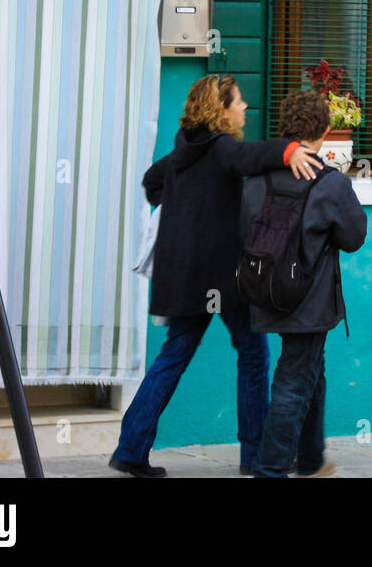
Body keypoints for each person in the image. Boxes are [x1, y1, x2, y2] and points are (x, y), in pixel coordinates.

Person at [109, 74, 322, 478]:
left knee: (173, 357)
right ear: (221, 109)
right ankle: (254, 455)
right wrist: (292, 149)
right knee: (253, 355)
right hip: (221, 279)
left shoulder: (185, 149)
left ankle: (131, 450)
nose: (244, 108)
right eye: (238, 102)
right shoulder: (223, 148)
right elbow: (252, 157)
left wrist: (184, 211)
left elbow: (153, 182)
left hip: (182, 276)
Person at [241, 89, 367, 478]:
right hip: (308, 302)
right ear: (327, 129)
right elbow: (353, 237)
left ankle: (310, 459)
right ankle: (272, 468)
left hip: (263, 291)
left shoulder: (256, 177)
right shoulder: (328, 182)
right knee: (294, 383)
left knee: (311, 371)